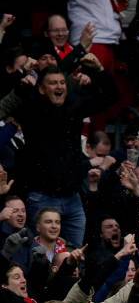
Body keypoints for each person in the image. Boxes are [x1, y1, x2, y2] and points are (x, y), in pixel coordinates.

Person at [1, 62, 117, 246]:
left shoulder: (74, 106)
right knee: (40, 255)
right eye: (53, 83)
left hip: (72, 197)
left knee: (74, 257)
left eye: (62, 82)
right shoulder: (31, 108)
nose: (59, 86)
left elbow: (110, 97)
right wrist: (21, 83)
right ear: (41, 88)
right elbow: (5, 106)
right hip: (42, 197)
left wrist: (100, 70)